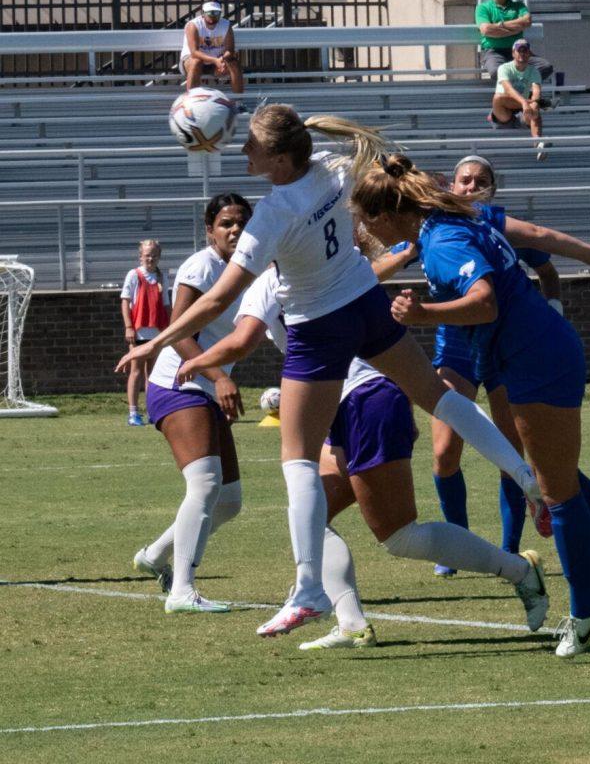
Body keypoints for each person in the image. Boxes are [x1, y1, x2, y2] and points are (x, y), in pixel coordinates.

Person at [117, 106, 546, 639]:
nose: (241, 152)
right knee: (437, 397)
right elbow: (241, 328)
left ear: (277, 157)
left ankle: (308, 590)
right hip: (363, 303)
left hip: (321, 330)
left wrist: (153, 343)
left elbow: (220, 299)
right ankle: (525, 476)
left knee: (296, 461)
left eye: (249, 146)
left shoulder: (274, 213)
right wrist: (203, 360)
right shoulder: (331, 167)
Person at [352, 154, 590, 658]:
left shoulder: (445, 240)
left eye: (365, 218)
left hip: (534, 355)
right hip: (525, 352)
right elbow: (536, 232)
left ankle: (584, 611)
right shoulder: (457, 216)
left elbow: (484, 300)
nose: (364, 228)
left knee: (556, 491)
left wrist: (423, 313)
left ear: (386, 216)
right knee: (557, 477)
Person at [177, 265, 550, 649]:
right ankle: (351, 621)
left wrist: (184, 355)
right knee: (313, 517)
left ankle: (520, 571)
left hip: (366, 400)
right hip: (346, 404)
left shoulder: (275, 278)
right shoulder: (328, 262)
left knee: (400, 535)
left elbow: (243, 338)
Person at [121, 194, 254, 613]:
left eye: (241, 223)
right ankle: (181, 591)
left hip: (209, 388)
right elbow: (178, 331)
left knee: (229, 502)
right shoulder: (201, 266)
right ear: (209, 230)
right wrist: (218, 378)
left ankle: (155, 556)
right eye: (226, 223)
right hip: (179, 386)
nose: (235, 230)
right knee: (206, 485)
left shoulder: (253, 266)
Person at [119, 239, 169, 427]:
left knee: (153, 374)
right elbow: (125, 301)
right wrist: (128, 326)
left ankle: (152, 410)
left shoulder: (162, 277)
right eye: (147, 255)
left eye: (154, 255)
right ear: (140, 256)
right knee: (136, 370)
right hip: (139, 331)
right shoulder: (134, 275)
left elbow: (166, 304)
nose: (151, 258)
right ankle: (133, 412)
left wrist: (170, 327)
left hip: (156, 332)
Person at [475, 0, 552, 82]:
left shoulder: (518, 6)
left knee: (545, 66)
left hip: (519, 50)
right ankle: (522, 92)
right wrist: (515, 29)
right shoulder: (483, 8)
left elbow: (527, 20)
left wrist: (499, 27)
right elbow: (486, 30)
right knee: (496, 71)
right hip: (494, 51)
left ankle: (519, 89)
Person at [491, 39, 547, 159]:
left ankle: (538, 143)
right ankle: (538, 139)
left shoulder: (534, 71)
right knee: (498, 98)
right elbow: (508, 89)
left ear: (529, 53)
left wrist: (535, 102)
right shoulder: (504, 68)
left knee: (535, 106)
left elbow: (536, 90)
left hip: (522, 110)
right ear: (513, 53)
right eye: (519, 50)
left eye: (525, 50)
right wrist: (524, 102)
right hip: (504, 110)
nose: (522, 53)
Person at [180, 1, 245, 94]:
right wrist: (215, 60)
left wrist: (222, 59)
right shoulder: (193, 25)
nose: (213, 16)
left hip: (217, 62)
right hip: (192, 61)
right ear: (203, 13)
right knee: (196, 62)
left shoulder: (225, 25)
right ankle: (191, 101)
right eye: (209, 13)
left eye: (216, 13)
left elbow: (230, 50)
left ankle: (239, 102)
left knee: (234, 63)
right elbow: (194, 52)